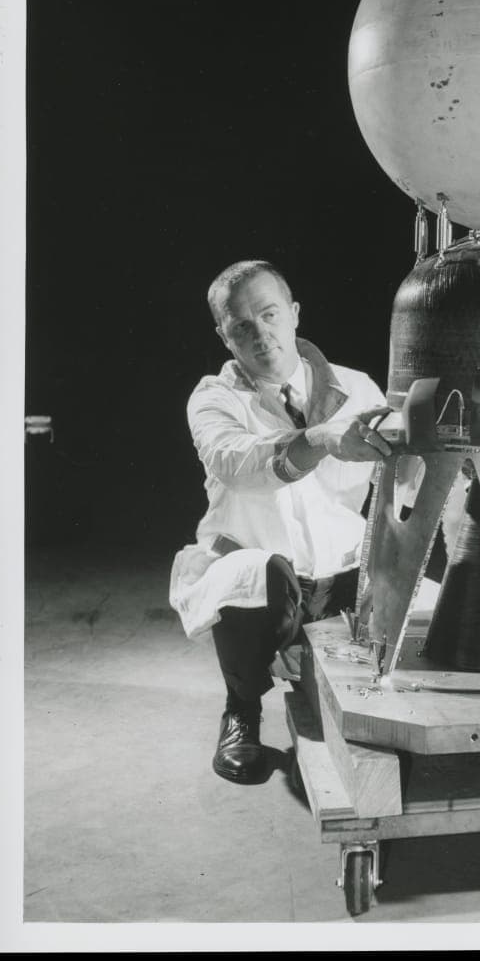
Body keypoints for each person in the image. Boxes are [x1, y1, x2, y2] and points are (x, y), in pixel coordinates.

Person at [170, 260, 392, 784]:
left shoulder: (359, 389)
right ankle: (241, 709)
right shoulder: (213, 398)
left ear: (293, 314)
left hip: (341, 578)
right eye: (241, 326)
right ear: (224, 336)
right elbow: (237, 462)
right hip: (266, 586)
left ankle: (323, 672)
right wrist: (319, 439)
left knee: (354, 702)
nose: (260, 333)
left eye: (269, 314)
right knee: (260, 575)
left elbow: (403, 482)